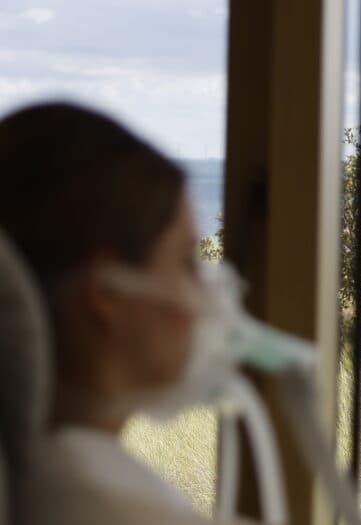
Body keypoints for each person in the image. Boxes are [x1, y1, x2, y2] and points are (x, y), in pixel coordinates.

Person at [0, 102, 215, 524]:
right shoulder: (101, 504)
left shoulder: (35, 484)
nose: (206, 295)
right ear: (106, 292)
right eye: (187, 261)